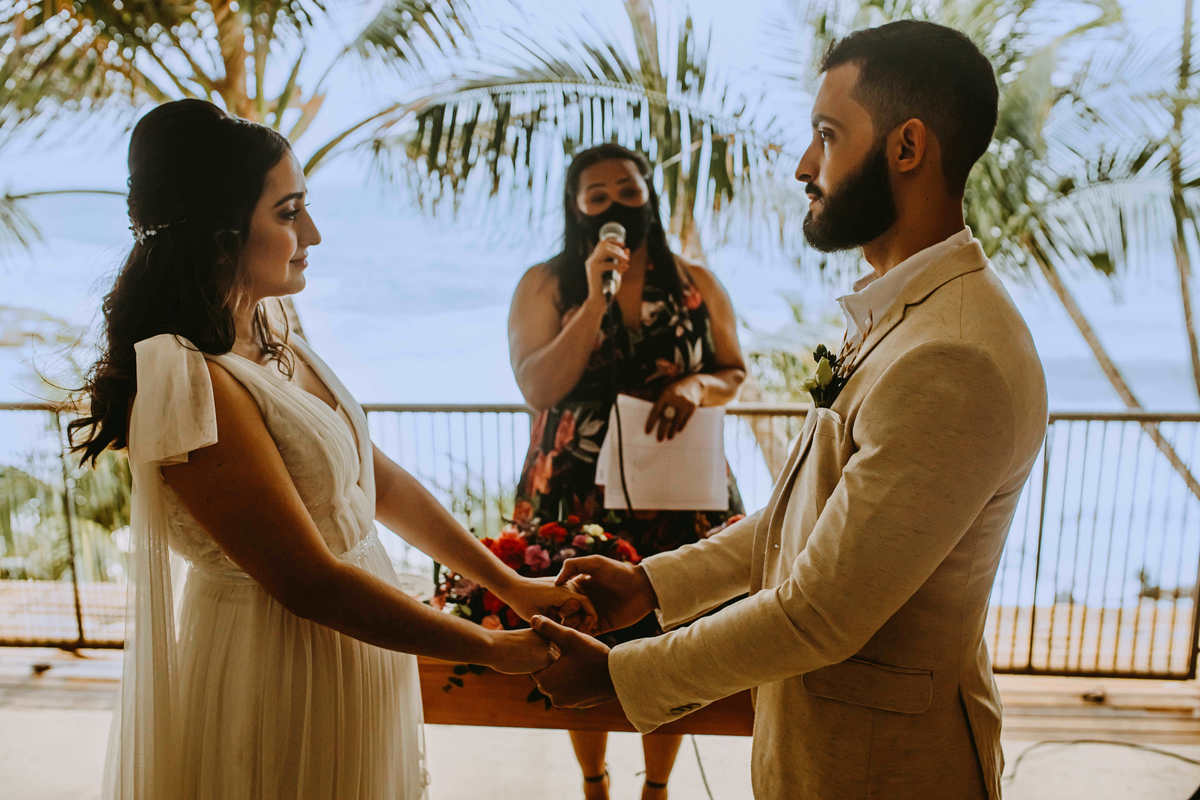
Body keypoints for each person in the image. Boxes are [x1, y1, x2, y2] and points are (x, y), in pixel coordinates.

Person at [529, 20, 1049, 800]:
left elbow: (820, 614)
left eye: (827, 135)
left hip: (884, 769)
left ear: (907, 148)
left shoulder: (953, 357)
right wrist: (652, 587)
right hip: (820, 746)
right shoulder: (900, 317)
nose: (805, 165)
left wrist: (618, 675)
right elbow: (798, 522)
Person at [69, 99, 591, 800]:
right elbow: (307, 581)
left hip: (357, 652)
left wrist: (509, 584)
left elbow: (375, 480)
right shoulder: (186, 378)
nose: (311, 232)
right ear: (223, 233)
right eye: (287, 213)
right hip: (278, 668)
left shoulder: (273, 321)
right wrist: (493, 650)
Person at [507, 142, 748, 799]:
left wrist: (697, 389)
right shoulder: (545, 284)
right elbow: (538, 386)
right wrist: (593, 297)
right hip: (575, 488)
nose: (615, 202)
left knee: (671, 635)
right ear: (577, 207)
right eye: (598, 194)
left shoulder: (698, 282)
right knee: (576, 628)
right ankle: (593, 781)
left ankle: (658, 787)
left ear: (650, 196)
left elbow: (733, 369)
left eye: (628, 189)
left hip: (679, 486)